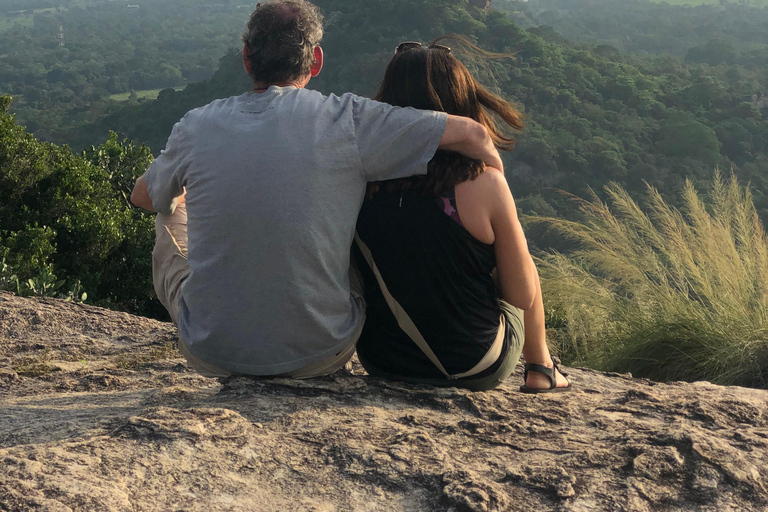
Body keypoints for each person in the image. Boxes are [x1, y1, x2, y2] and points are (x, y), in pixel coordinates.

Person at [129, 0, 505, 379]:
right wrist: (496, 187)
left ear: (246, 58)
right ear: (316, 61)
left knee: (171, 210)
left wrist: (187, 194)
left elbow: (143, 196)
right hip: (322, 351)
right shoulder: (348, 120)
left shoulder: (196, 125)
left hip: (213, 350)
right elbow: (473, 134)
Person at [354, 38, 571, 392]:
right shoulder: (485, 183)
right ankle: (541, 369)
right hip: (474, 365)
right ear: (463, 100)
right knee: (521, 260)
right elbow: (520, 296)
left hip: (383, 360)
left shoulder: (363, 178)